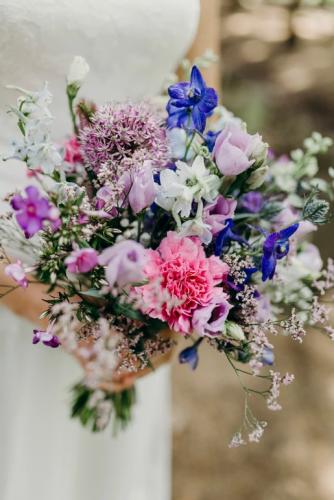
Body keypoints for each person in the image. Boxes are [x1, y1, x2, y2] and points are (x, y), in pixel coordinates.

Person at [0, 1, 220, 499]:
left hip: (135, 285)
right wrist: (28, 296)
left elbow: (205, 96)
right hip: (15, 272)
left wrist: (178, 297)